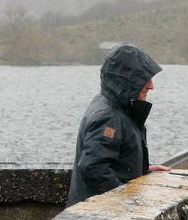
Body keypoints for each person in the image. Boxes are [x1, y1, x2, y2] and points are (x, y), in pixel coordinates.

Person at [67, 44, 170, 206]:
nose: (151, 85)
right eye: (144, 79)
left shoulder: (115, 107)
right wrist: (126, 203)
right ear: (127, 81)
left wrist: (142, 169)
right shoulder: (108, 116)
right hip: (97, 219)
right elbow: (94, 168)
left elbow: (112, 160)